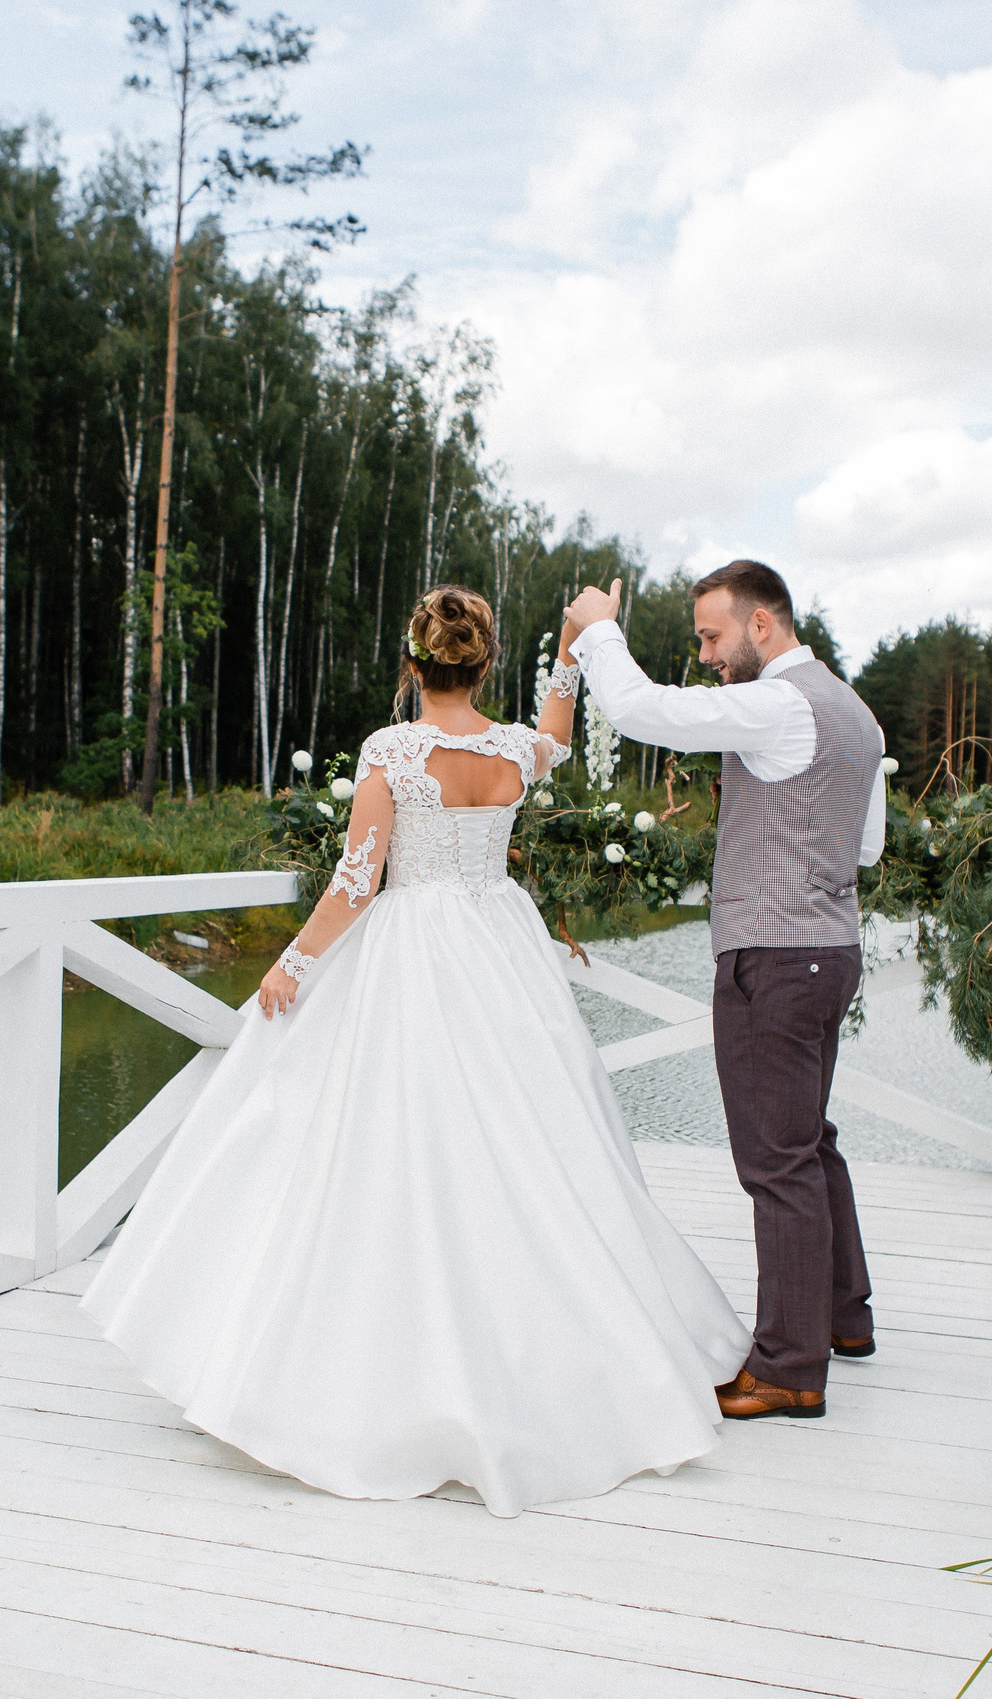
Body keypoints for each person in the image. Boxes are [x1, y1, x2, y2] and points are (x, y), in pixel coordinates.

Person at [84, 586, 750, 1518]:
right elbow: (558, 727)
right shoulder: (517, 748)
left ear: (412, 665)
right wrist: (567, 651)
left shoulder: (392, 751)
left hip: (413, 952)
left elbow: (359, 879)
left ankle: (377, 1367)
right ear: (482, 664)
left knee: (386, 1144)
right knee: (530, 1147)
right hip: (500, 949)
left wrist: (291, 963)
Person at [561, 560, 887, 1421]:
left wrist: (597, 626)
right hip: (829, 948)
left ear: (764, 626)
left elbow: (642, 711)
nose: (705, 655)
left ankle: (788, 1365)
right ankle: (843, 1316)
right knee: (809, 1141)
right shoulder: (855, 714)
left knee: (774, 1163)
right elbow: (865, 849)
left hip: (772, 959)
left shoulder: (781, 703)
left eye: (712, 636)